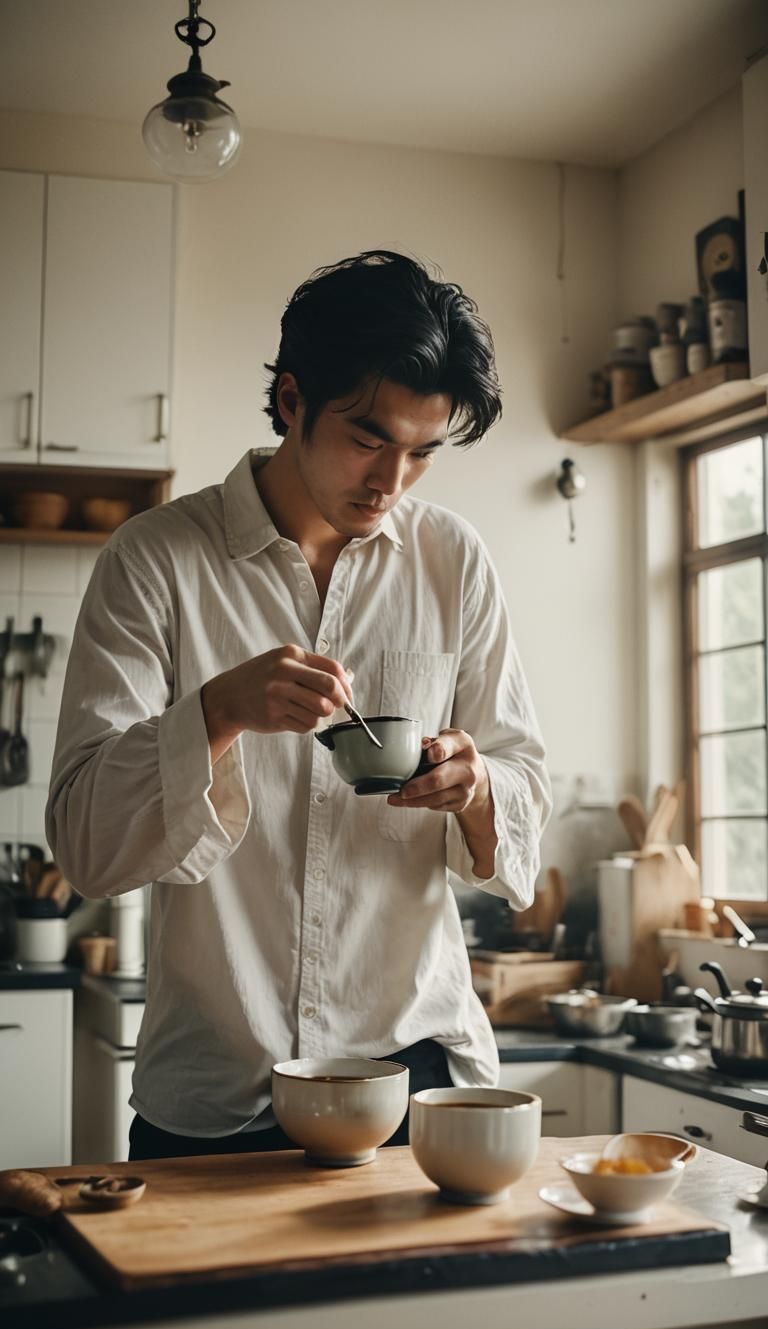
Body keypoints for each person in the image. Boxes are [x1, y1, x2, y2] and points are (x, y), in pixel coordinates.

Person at [47, 249, 551, 1160]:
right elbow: (84, 843)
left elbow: (521, 783)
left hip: (415, 1078)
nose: (390, 481)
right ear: (291, 401)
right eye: (367, 438)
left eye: (422, 454)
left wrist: (476, 788)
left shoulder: (454, 562)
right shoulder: (155, 559)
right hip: (214, 1091)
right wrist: (216, 711)